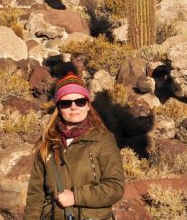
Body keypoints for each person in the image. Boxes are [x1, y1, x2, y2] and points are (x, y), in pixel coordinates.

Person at [24, 74, 125, 220]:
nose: (73, 107)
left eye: (80, 101)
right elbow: (35, 194)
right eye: (66, 103)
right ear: (59, 107)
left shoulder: (103, 140)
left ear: (88, 104)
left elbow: (115, 187)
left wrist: (76, 197)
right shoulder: (48, 142)